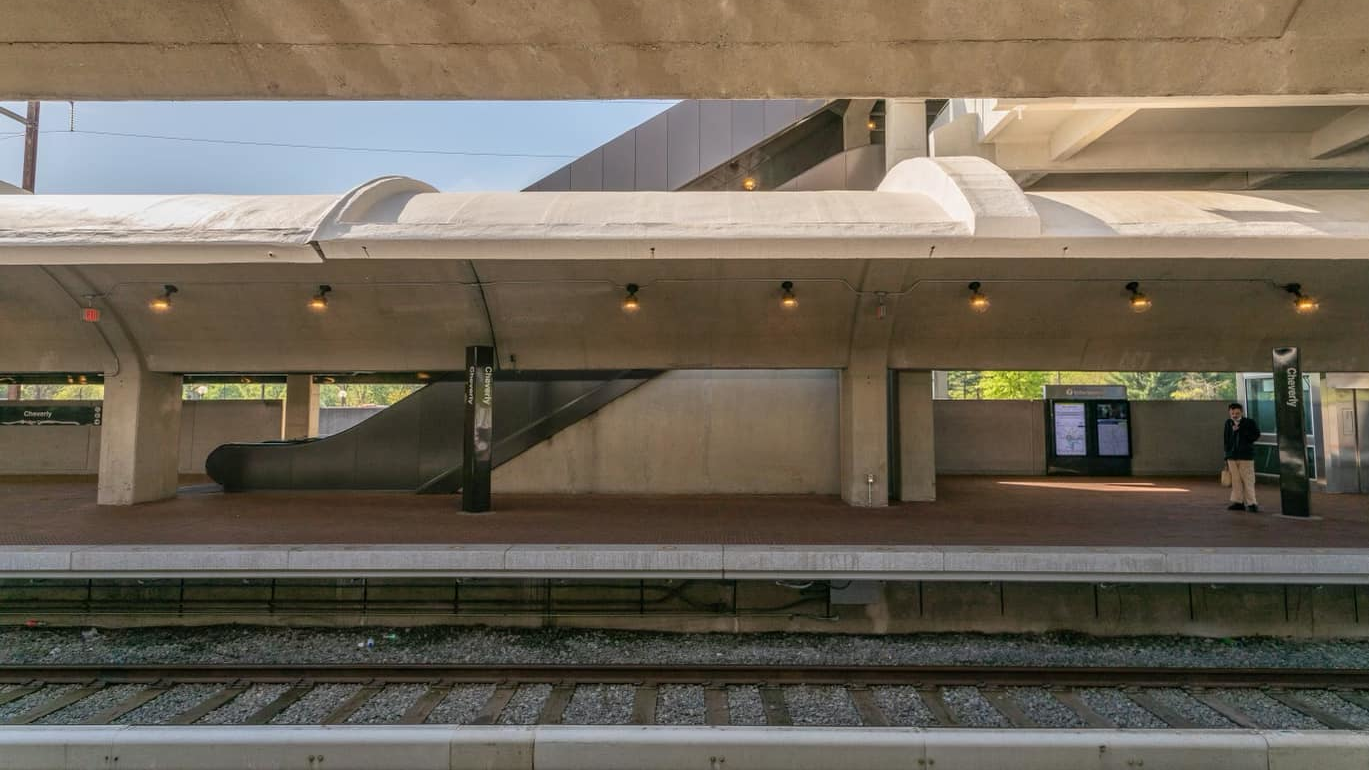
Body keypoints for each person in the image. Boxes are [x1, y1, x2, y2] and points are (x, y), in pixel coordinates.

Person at [1223, 403, 1261, 512]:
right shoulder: (1228, 423)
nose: (1234, 415)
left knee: (1248, 480)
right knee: (1236, 480)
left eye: (1237, 413)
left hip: (1246, 456)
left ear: (1242, 412)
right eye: (1232, 413)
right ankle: (1238, 502)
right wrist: (1226, 456)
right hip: (1232, 456)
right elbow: (1226, 440)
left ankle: (1252, 503)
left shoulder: (1249, 422)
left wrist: (1240, 430)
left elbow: (1255, 436)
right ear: (1229, 413)